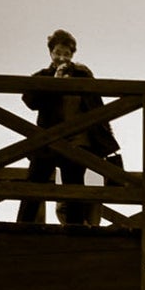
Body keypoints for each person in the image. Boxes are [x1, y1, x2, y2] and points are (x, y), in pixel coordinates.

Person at [22, 29, 121, 226]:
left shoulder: (82, 74)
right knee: (34, 184)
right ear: (50, 53)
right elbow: (30, 101)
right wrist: (54, 82)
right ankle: (22, 226)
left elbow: (97, 106)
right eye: (58, 52)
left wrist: (105, 139)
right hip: (47, 140)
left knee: (74, 186)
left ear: (72, 55)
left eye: (66, 54)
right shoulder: (43, 75)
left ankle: (76, 230)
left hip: (77, 141)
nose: (61, 57)